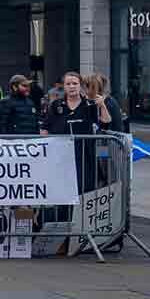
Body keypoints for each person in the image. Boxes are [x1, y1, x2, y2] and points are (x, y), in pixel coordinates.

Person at [44, 71, 113, 201]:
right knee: (63, 190)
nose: (71, 86)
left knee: (84, 190)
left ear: (80, 86)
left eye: (74, 83)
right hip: (62, 157)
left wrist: (102, 105)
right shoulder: (56, 105)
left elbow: (106, 124)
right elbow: (45, 128)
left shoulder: (89, 105)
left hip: (85, 156)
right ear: (63, 87)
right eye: (68, 84)